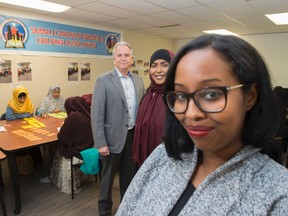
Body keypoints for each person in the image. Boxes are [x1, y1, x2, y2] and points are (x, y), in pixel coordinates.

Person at [116, 34, 288, 215]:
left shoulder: (278, 195)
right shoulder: (164, 157)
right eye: (181, 95)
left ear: (250, 96)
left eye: (211, 94)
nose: (191, 113)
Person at [91, 41, 145, 216]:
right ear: (114, 59)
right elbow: (97, 114)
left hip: (132, 135)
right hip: (111, 138)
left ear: (132, 59)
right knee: (107, 180)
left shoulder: (138, 80)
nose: (123, 58)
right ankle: (104, 211)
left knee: (129, 177)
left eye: (126, 55)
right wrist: (101, 142)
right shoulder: (103, 81)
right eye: (119, 55)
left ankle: (125, 208)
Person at [133, 49, 174, 168]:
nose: (158, 70)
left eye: (164, 65)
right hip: (145, 163)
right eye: (154, 66)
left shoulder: (178, 97)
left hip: (169, 165)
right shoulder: (148, 94)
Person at [49, 96, 94, 194]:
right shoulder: (89, 113)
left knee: (59, 150)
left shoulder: (74, 116)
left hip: (78, 150)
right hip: (91, 148)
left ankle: (57, 179)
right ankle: (81, 176)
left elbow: (62, 136)